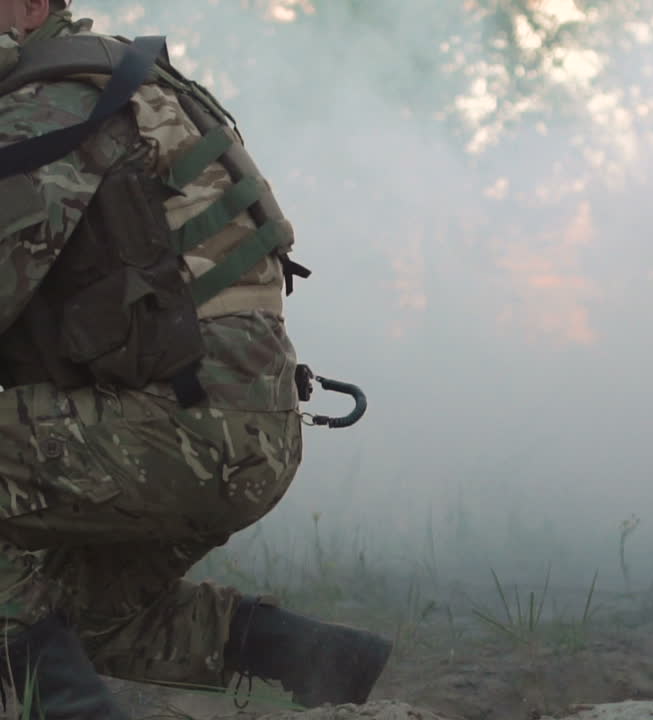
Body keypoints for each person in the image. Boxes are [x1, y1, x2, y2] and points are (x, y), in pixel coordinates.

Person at [0, 1, 390, 716]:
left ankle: (71, 710)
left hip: (178, 431)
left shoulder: (44, 111)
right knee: (70, 611)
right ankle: (314, 657)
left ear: (28, 11)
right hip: (241, 434)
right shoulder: (118, 86)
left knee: (22, 617)